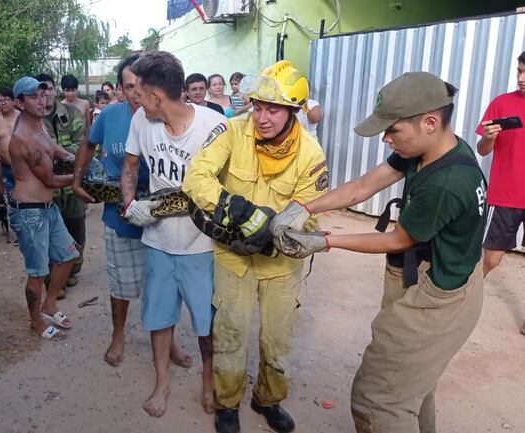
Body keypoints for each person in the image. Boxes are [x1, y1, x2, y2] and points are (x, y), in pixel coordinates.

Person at [272, 71, 488, 433]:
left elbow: (395, 240)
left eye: (392, 130)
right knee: (414, 390)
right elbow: (365, 185)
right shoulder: (433, 148)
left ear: (430, 122)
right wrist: (304, 207)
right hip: (443, 271)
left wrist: (324, 241)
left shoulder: (445, 182)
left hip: (439, 296)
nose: (386, 139)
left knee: (378, 401)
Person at [184, 60, 328, 433]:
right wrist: (238, 211)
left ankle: (267, 400)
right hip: (232, 258)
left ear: (293, 110)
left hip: (281, 266)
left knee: (277, 340)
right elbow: (196, 176)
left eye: (273, 109)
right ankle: (227, 404)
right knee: (230, 334)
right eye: (257, 106)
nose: (261, 117)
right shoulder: (232, 130)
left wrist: (271, 234)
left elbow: (309, 218)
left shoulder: (311, 155)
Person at [72, 54, 194, 370]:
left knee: (166, 286)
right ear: (122, 89)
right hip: (120, 216)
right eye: (129, 87)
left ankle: (170, 343)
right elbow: (88, 144)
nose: (135, 93)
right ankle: (118, 334)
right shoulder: (110, 116)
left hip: (164, 219)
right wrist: (76, 178)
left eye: (139, 86)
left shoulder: (165, 118)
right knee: (121, 284)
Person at [120, 51, 225, 418]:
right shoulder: (140, 121)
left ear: (156, 95)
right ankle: (162, 381)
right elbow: (130, 166)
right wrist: (130, 202)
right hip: (158, 242)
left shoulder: (214, 128)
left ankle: (208, 380)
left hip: (202, 245)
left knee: (206, 323)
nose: (135, 97)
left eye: (139, 90)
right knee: (159, 317)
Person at [7, 76, 80, 341]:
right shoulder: (22, 138)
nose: (42, 100)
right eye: (34, 97)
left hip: (47, 207)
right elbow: (49, 180)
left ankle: (50, 304)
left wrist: (71, 157)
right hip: (30, 212)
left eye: (44, 94)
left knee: (68, 256)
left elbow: (52, 147)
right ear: (19, 102)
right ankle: (36, 322)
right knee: (38, 273)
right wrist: (81, 177)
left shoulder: (38, 125)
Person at [476, 50, 525, 335]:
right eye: (518, 71)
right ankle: (462, 299)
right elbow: (482, 150)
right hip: (505, 195)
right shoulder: (502, 103)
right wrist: (489, 138)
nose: (520, 79)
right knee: (491, 258)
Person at [36, 73, 88, 294]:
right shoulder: (32, 118)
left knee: (76, 227)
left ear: (54, 89)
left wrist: (61, 154)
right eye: (40, 91)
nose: (45, 94)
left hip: (72, 184)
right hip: (47, 186)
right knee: (50, 233)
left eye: (47, 88)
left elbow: (82, 143)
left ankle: (72, 270)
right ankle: (54, 280)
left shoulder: (72, 112)